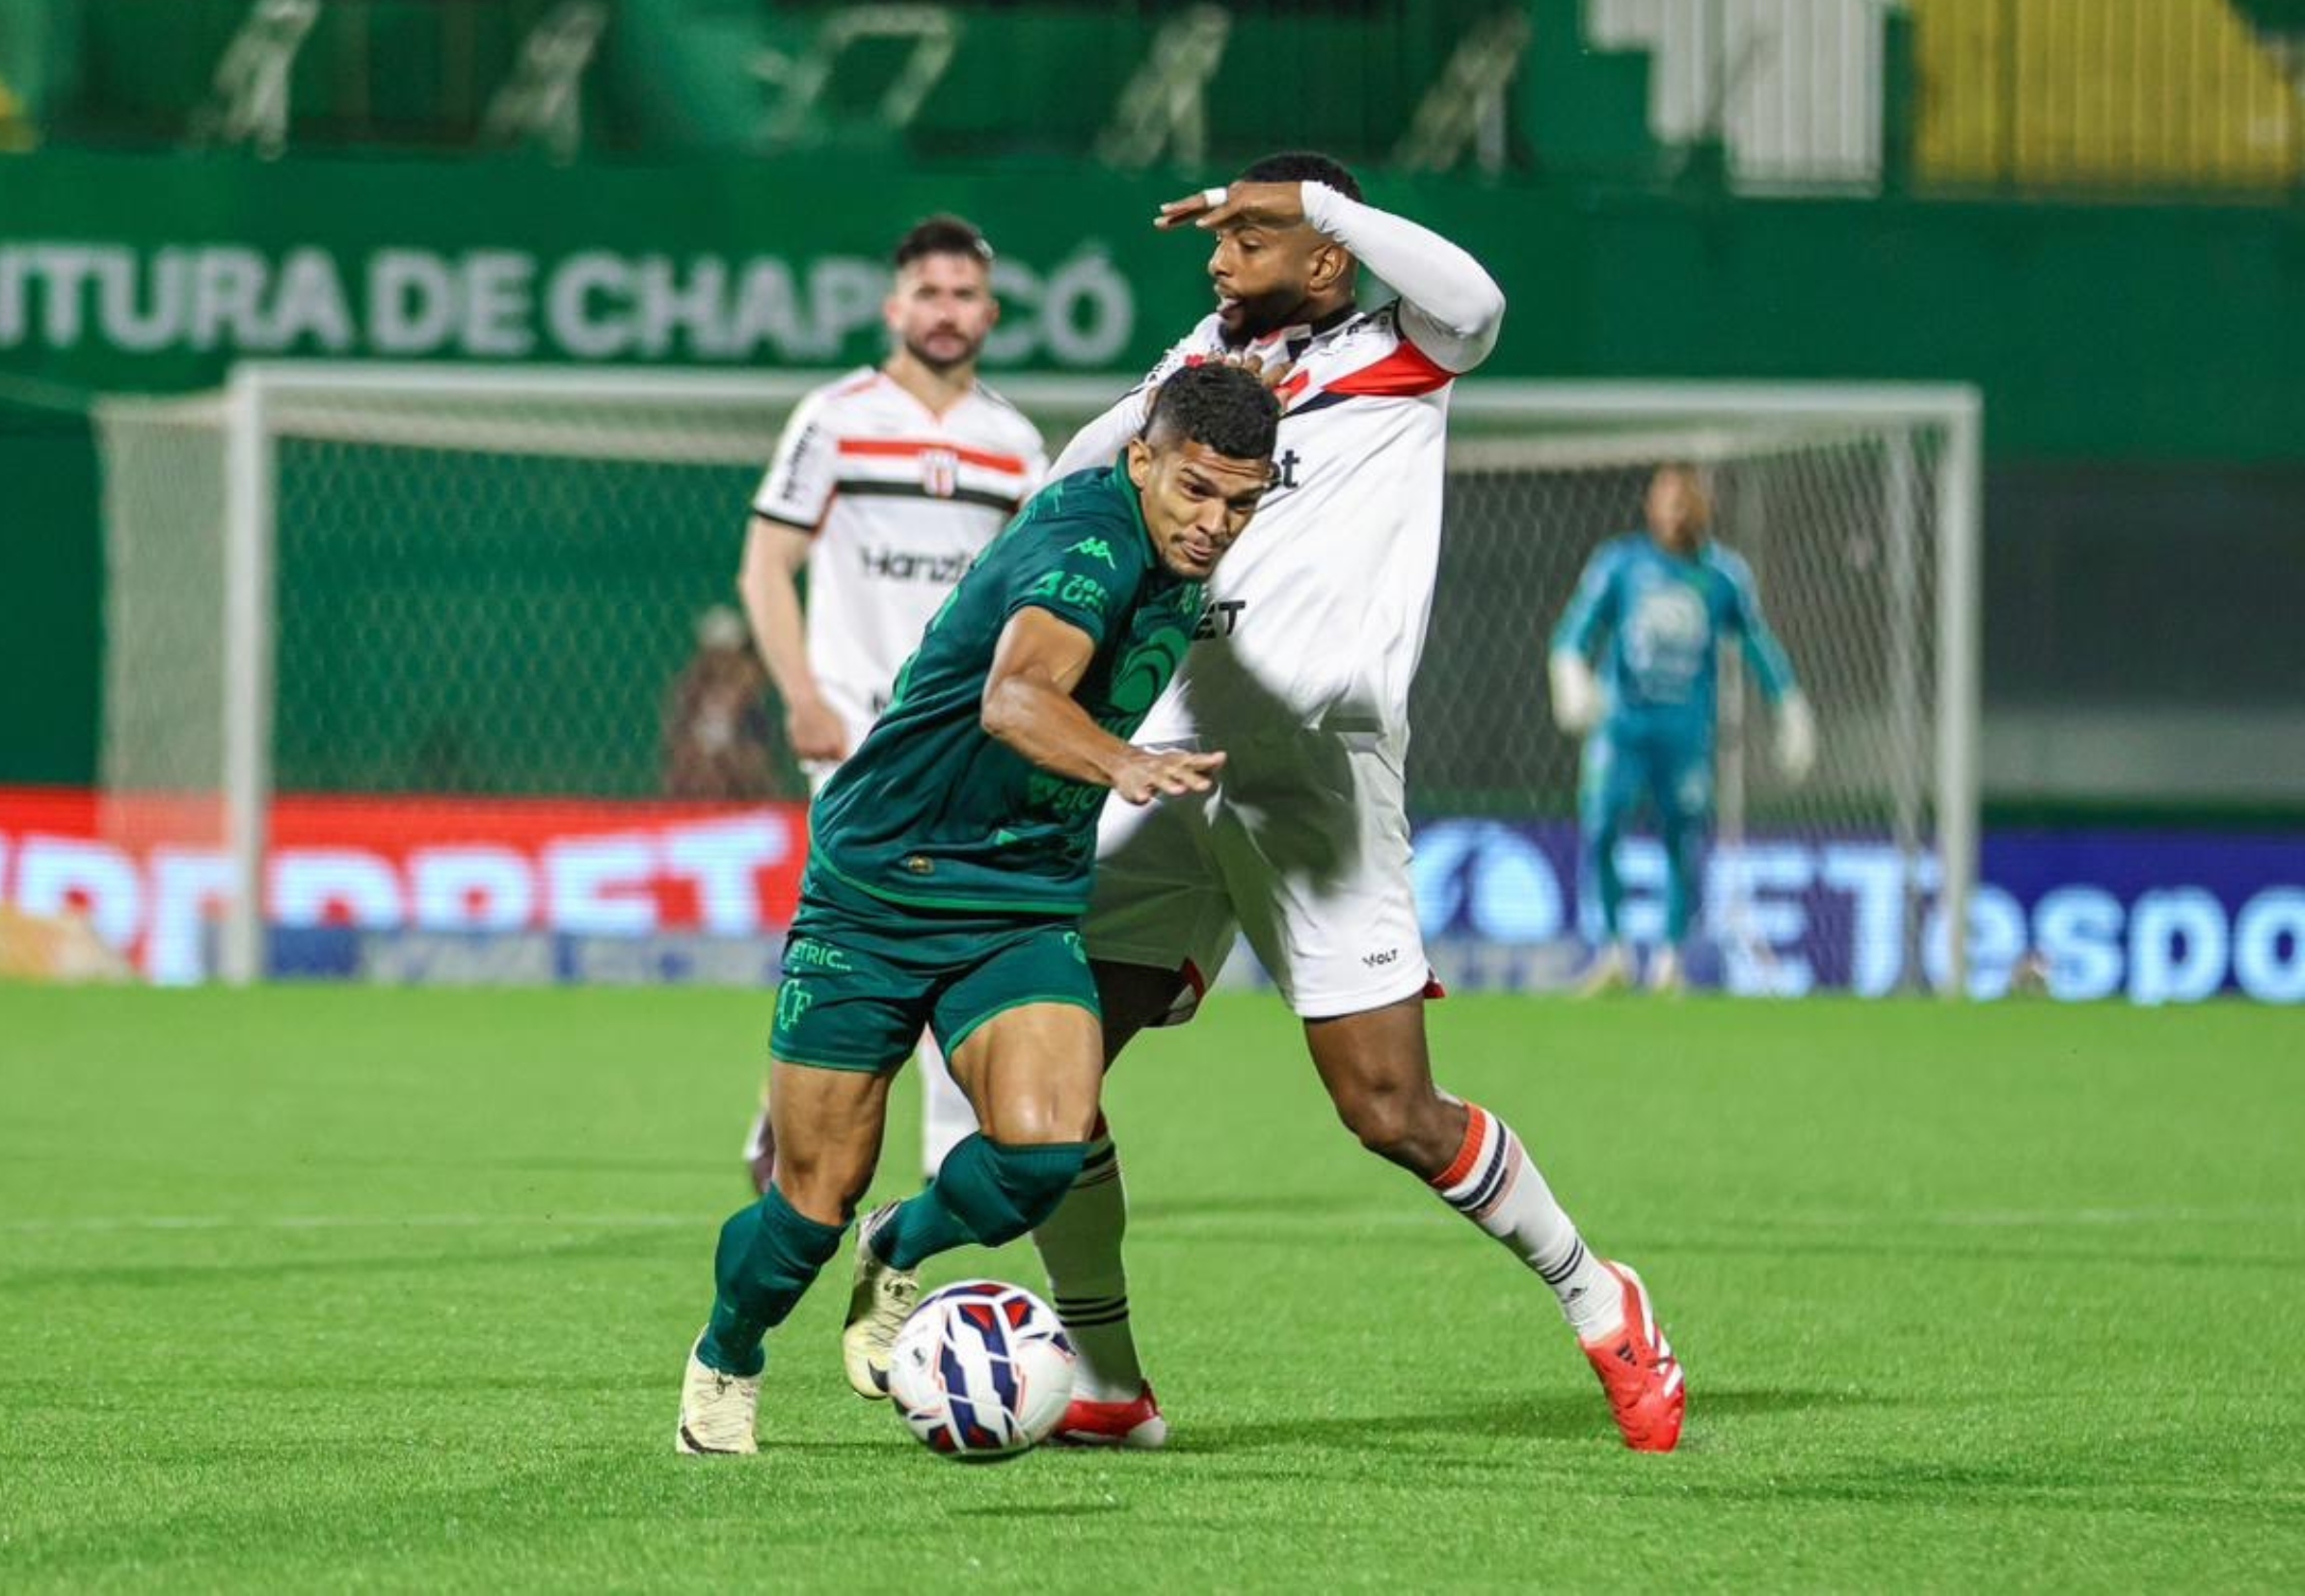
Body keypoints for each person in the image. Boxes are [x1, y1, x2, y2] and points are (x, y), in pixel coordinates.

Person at [994, 152, 1687, 1454]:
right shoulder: (1204, 365)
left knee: (1386, 1112)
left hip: (1316, 771)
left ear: (1325, 252)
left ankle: (1603, 1304)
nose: (1216, 256)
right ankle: (1106, 1379)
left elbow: (1474, 297)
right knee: (1046, 1075)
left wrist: (1318, 209)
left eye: (1249, 236)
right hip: (1169, 749)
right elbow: (1086, 464)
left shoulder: (1400, 351)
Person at [675, 362, 1282, 1456]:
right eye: (1196, 491)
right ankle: (728, 1354)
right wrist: (1122, 764)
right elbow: (1014, 699)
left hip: (1021, 897)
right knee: (806, 1205)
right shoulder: (1086, 549)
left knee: (1045, 1154)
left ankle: (899, 1242)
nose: (1215, 523)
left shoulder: (1182, 540)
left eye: (1241, 501)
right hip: (879, 885)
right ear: (1142, 462)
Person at [735, 214, 1047, 1190]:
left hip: (969, 738)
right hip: (857, 727)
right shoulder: (833, 418)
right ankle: (817, 1119)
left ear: (988, 312)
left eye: (963, 295)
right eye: (929, 293)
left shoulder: (1013, 444)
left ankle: (884, 1158)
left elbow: (1030, 595)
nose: (946, 312)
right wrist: (801, 697)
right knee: (877, 930)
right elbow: (765, 567)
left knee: (934, 937)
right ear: (894, 306)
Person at [1548, 464, 1816, 994]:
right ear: (1651, 507)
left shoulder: (1722, 575)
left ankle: (1671, 958)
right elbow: (1575, 631)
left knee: (1683, 839)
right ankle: (1614, 952)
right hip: (1621, 727)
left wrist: (1788, 703)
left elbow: (1758, 643)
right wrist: (1571, 676)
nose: (1676, 513)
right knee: (1602, 827)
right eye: (1667, 501)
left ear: (1702, 509)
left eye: (1685, 502)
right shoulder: (1621, 564)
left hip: (1686, 731)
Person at [660, 605, 789, 802]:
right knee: (697, 764)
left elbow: (760, 749)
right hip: (698, 765)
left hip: (738, 762)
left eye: (725, 653)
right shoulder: (691, 691)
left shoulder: (753, 695)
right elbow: (675, 740)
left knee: (731, 765)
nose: (719, 660)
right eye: (714, 652)